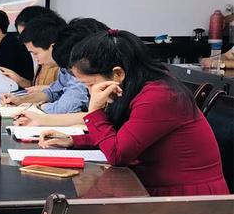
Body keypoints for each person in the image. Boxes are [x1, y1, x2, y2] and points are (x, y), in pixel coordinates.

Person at [38, 29, 229, 196]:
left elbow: (117, 154)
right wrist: (74, 141)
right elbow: (125, 136)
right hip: (157, 189)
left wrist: (94, 111)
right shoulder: (139, 87)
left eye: (90, 84)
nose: (90, 92)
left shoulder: (158, 96)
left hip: (188, 201)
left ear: (118, 74)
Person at [2, 16, 90, 114]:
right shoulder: (64, 68)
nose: (35, 59)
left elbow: (64, 108)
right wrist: (20, 100)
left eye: (35, 53)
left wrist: (37, 107)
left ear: (53, 47)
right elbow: (53, 92)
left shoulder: (77, 67)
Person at [10, 6, 64, 89]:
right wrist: (20, 80)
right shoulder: (42, 58)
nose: (25, 40)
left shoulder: (60, 64)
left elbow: (63, 91)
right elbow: (37, 87)